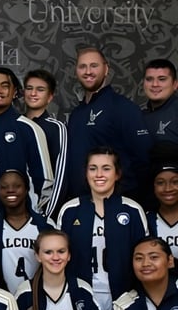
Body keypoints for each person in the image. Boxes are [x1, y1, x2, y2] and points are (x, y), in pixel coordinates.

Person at [57, 147, 147, 310]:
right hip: (81, 297)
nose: (99, 174)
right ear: (85, 172)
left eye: (106, 168)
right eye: (93, 168)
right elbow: (57, 258)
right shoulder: (70, 210)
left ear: (117, 173)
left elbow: (143, 258)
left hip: (124, 298)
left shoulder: (132, 210)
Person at [65, 47, 152, 203]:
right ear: (76, 71)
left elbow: (143, 161)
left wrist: (124, 200)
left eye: (94, 65)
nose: (88, 71)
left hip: (117, 205)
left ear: (106, 69)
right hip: (80, 206)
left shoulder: (123, 108)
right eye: (82, 66)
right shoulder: (76, 114)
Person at [0, 67, 54, 217]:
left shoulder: (28, 128)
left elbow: (45, 180)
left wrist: (34, 215)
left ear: (14, 92)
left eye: (5, 86)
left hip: (22, 219)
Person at [0, 169, 55, 295]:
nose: (10, 190)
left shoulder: (46, 225)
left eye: (17, 186)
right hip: (1, 298)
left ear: (26, 189)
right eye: (4, 187)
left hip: (36, 298)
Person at [24, 69, 68, 212]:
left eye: (40, 89)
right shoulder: (15, 125)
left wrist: (48, 213)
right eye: (29, 88)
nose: (33, 93)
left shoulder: (56, 128)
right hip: (15, 212)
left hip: (44, 211)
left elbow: (61, 175)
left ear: (50, 97)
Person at [141, 59, 178, 146]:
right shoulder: (137, 117)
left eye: (162, 79)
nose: (155, 84)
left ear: (175, 84)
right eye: (149, 79)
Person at [146, 159, 178, 260]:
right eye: (160, 183)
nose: (168, 189)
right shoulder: (145, 220)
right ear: (153, 187)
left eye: (175, 182)